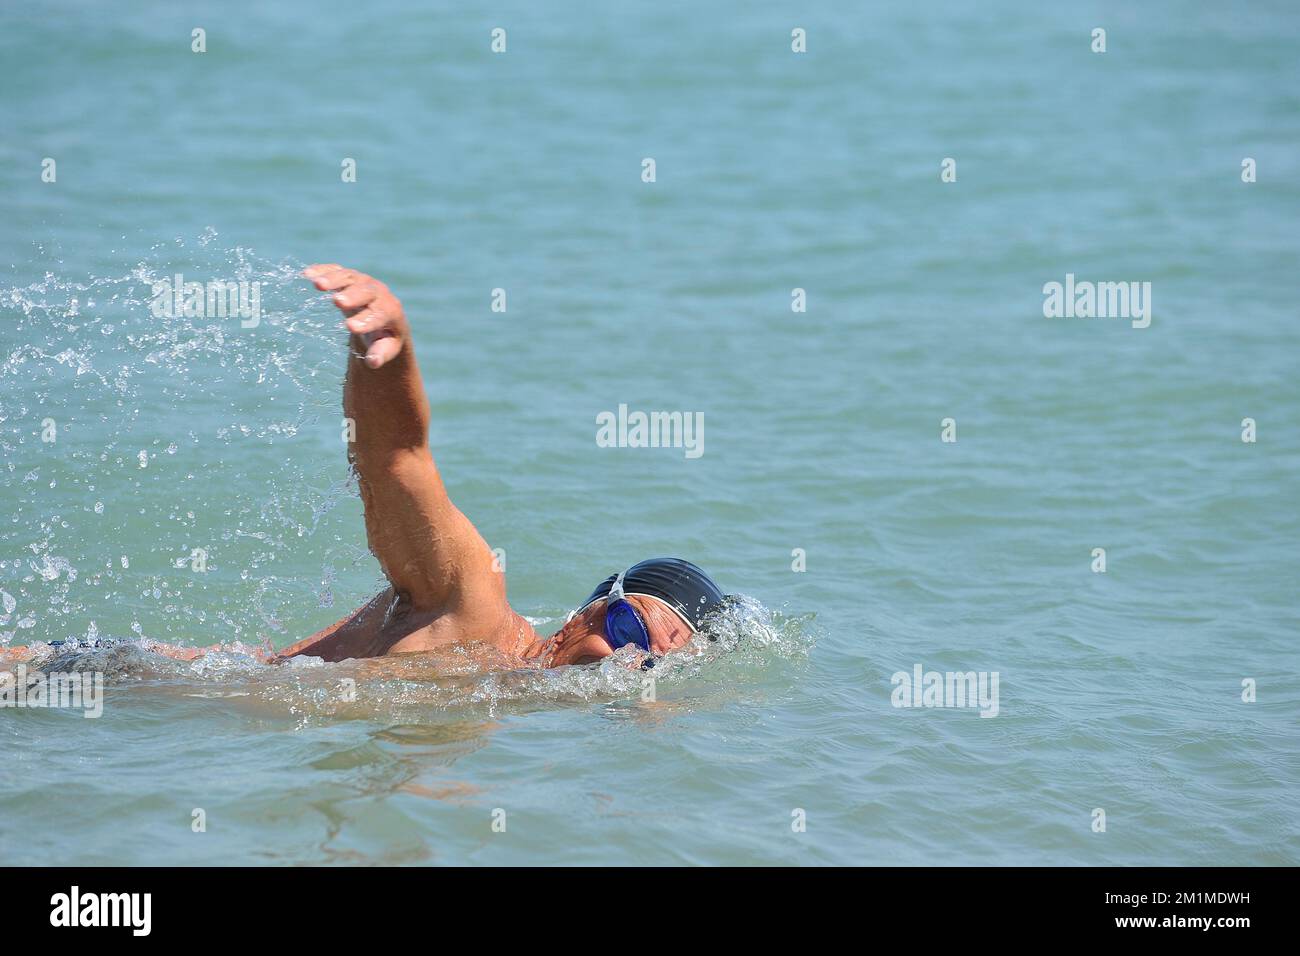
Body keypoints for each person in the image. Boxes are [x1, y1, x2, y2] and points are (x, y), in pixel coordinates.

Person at [1, 265, 728, 670]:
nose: (630, 667)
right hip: (106, 685)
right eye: (634, 635)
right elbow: (394, 459)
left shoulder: (511, 706)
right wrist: (388, 346)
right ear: (585, 614)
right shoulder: (473, 608)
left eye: (659, 667)